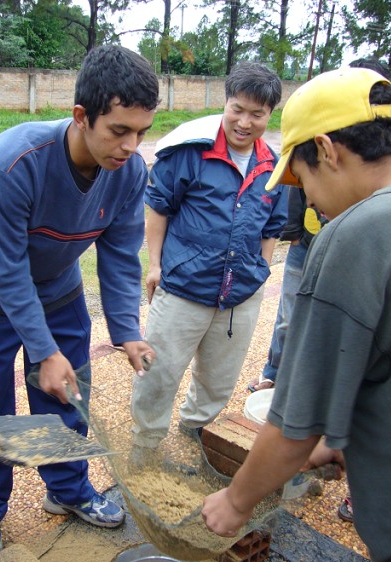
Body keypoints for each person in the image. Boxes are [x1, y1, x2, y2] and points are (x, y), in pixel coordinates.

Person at [0, 45, 160, 562]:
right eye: (119, 131)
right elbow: (7, 271)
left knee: (68, 397)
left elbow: (119, 254)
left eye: (141, 132)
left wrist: (126, 331)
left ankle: (66, 490)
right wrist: (43, 351)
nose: (131, 146)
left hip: (60, 291)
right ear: (81, 116)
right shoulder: (13, 162)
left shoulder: (130, 172)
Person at [202, 67, 391, 562]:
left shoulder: (358, 233)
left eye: (302, 179)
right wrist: (343, 439)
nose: (307, 202)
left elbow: (295, 423)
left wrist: (236, 501)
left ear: (327, 150)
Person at [130, 61, 288, 451]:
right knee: (159, 373)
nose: (245, 122)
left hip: (240, 296)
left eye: (257, 114)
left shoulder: (274, 166)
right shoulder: (189, 152)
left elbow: (273, 226)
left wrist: (261, 269)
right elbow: (159, 209)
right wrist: (155, 265)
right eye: (238, 109)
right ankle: (145, 447)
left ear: (270, 114)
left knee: (218, 379)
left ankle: (193, 434)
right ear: (226, 102)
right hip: (183, 286)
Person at [248, 187, 328, 393]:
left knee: (327, 317)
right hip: (303, 245)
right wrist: (294, 234)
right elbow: (295, 189)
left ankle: (311, 381)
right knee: (287, 317)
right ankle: (273, 371)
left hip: (338, 243)